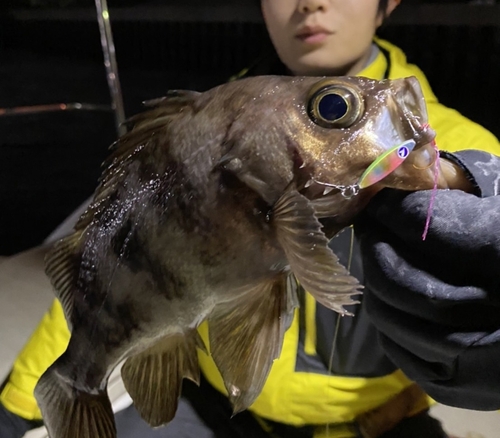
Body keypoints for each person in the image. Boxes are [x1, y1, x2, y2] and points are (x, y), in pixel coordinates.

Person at [2, 1, 500, 437]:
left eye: (333, 107)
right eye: (333, 108)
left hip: (372, 424)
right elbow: (113, 265)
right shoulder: (211, 123)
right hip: (212, 404)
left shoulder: (475, 154)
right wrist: (19, 401)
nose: (311, 3)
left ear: (387, 2)